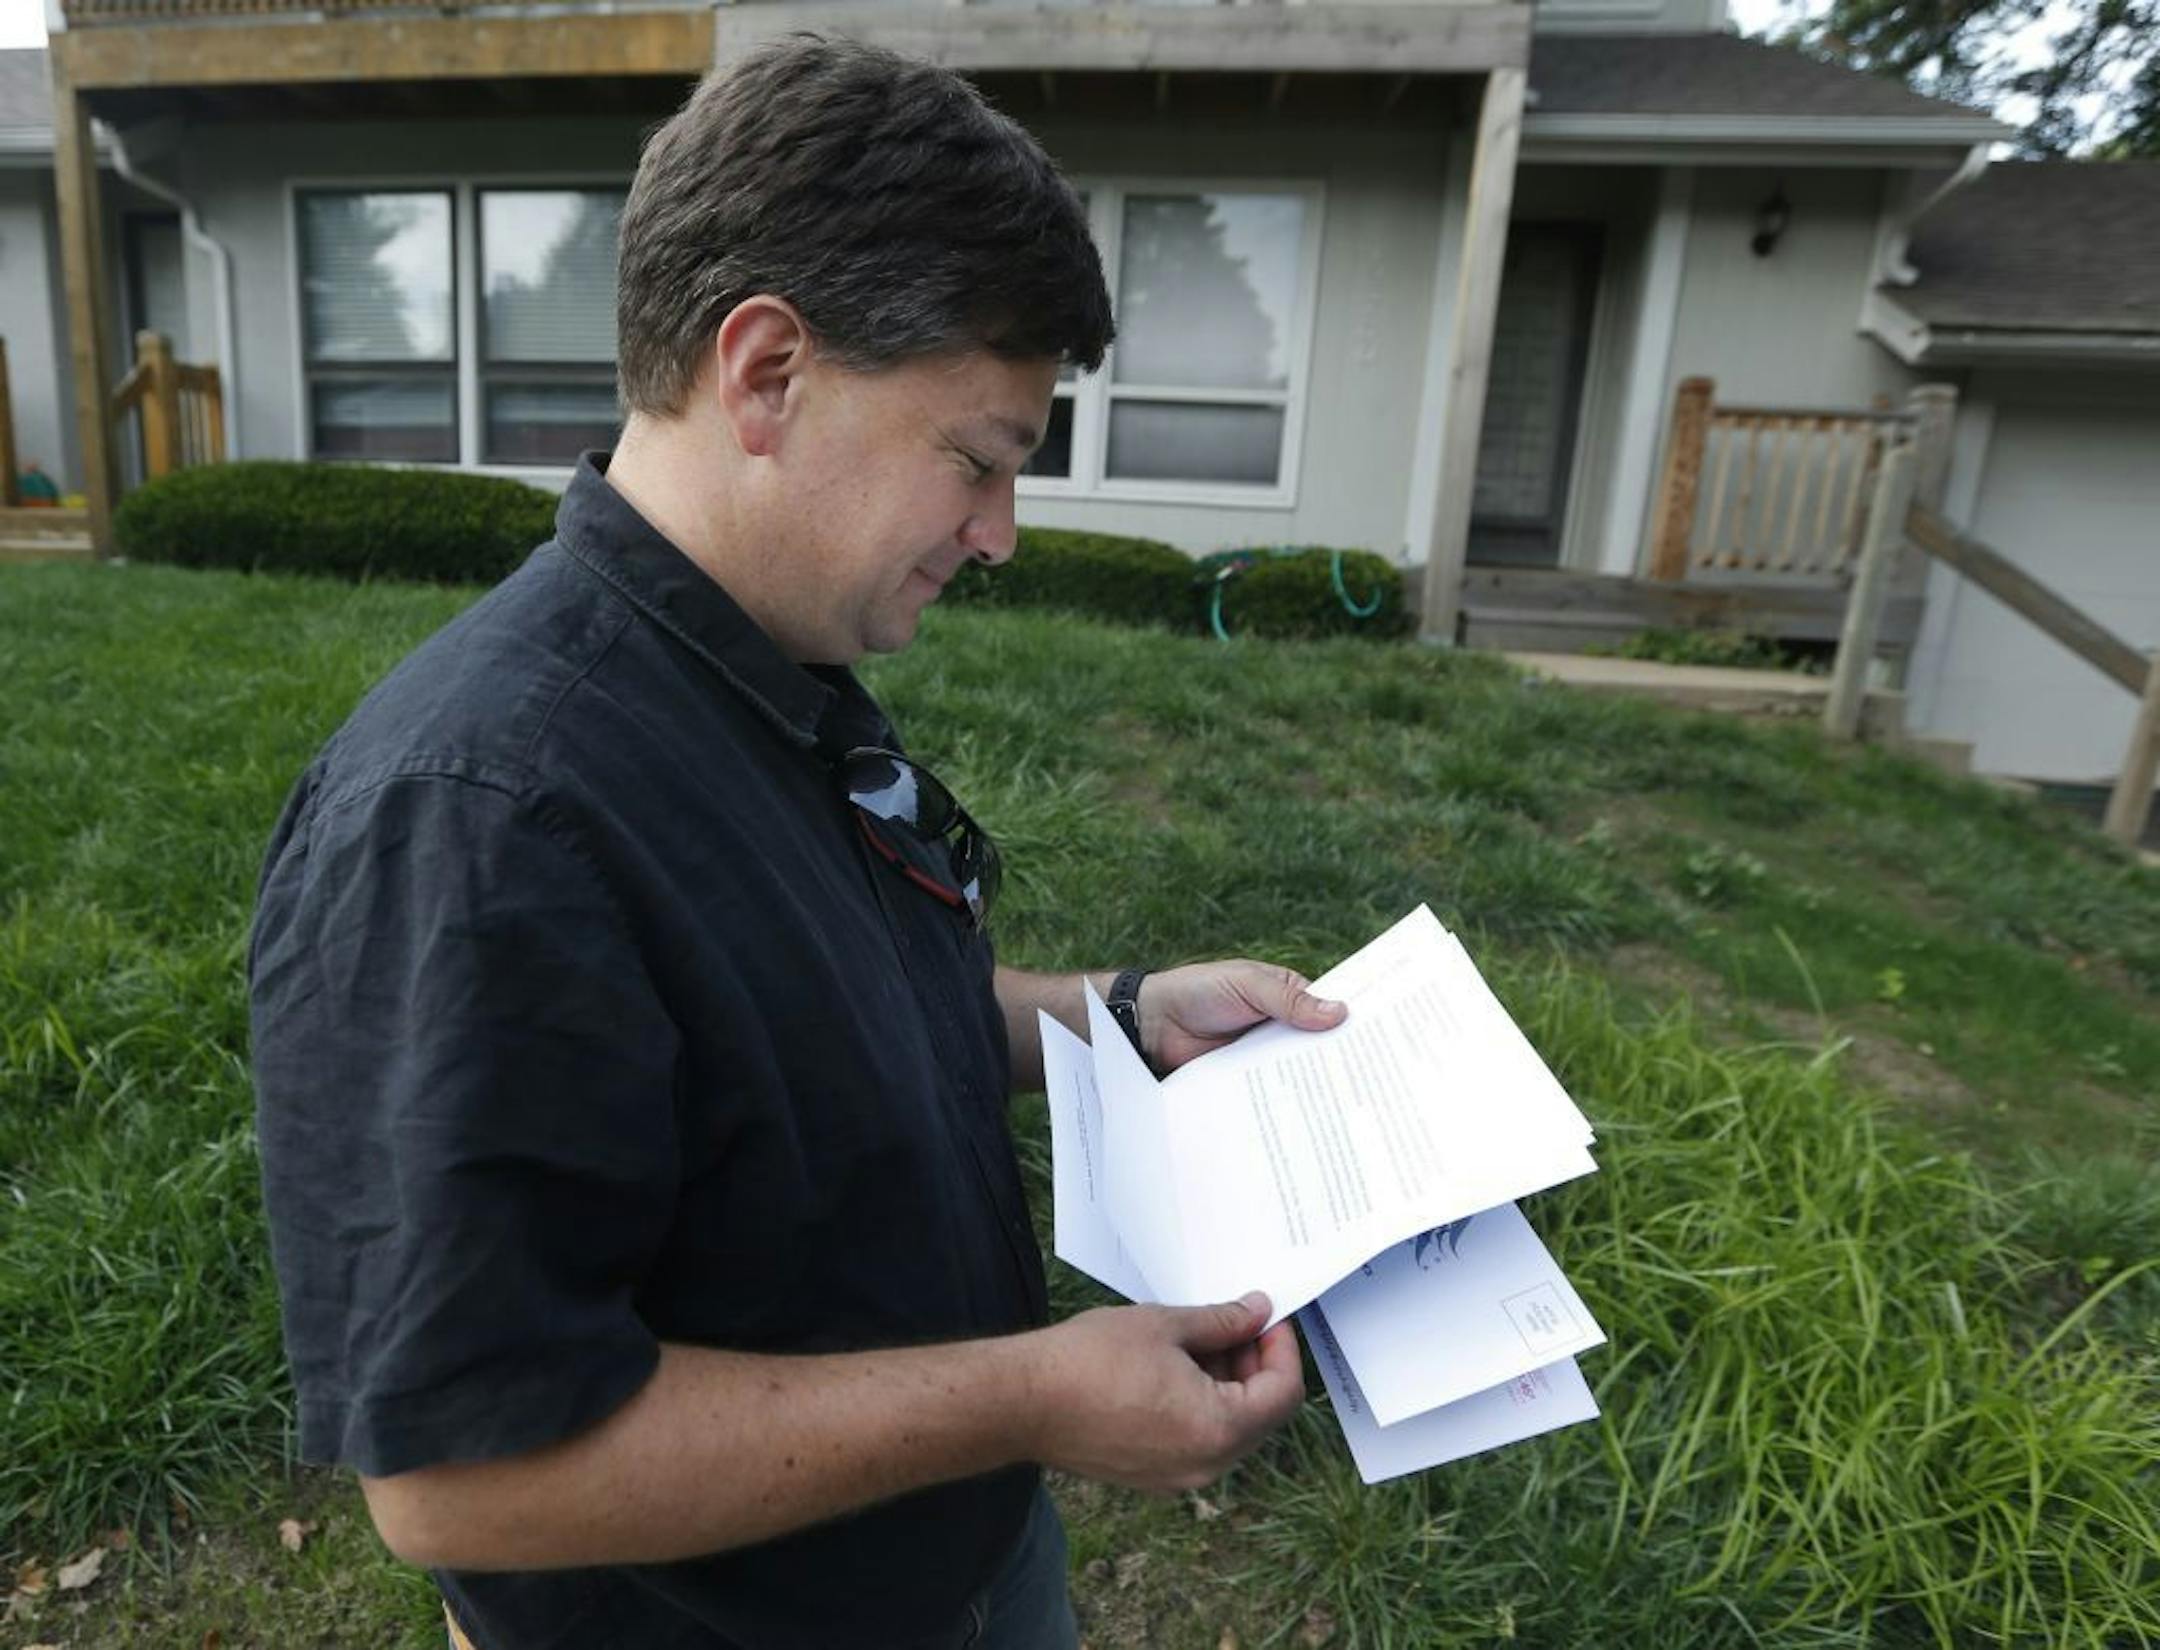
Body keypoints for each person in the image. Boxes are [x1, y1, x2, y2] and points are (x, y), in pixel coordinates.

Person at [248, 33, 1345, 1650]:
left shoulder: (773, 670)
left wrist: (1113, 1014)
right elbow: (461, 1475)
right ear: (765, 372)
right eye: (974, 459)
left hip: (957, 1566)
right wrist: (1031, 1396)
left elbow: (812, 1022)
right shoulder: (479, 819)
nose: (998, 534)